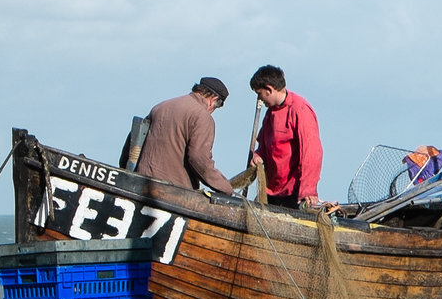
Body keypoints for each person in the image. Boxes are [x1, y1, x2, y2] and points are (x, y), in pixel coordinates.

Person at [135, 77, 238, 195]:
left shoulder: (161, 106)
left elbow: (135, 141)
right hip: (172, 192)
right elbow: (199, 159)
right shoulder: (202, 116)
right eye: (215, 108)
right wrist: (226, 188)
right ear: (213, 100)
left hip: (141, 184)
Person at [251, 65, 323, 209]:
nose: (259, 98)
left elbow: (312, 152)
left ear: (269, 89)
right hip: (272, 189)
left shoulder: (300, 110)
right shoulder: (270, 113)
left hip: (293, 191)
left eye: (259, 93)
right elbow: (265, 144)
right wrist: (258, 155)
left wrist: (308, 190)